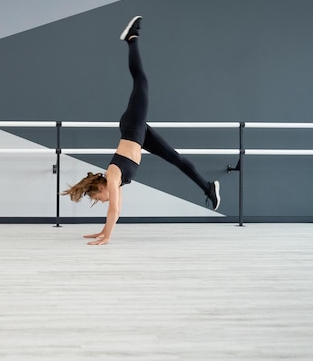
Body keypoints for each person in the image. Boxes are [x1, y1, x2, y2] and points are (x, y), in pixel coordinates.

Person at [62, 16, 220, 245]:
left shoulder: (114, 174)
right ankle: (208, 187)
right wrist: (103, 231)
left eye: (99, 197)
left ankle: (132, 38)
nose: (103, 201)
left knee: (141, 81)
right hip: (139, 134)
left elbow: (113, 208)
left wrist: (106, 236)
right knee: (176, 158)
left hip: (133, 127)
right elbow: (118, 209)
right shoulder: (116, 181)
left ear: (100, 186)